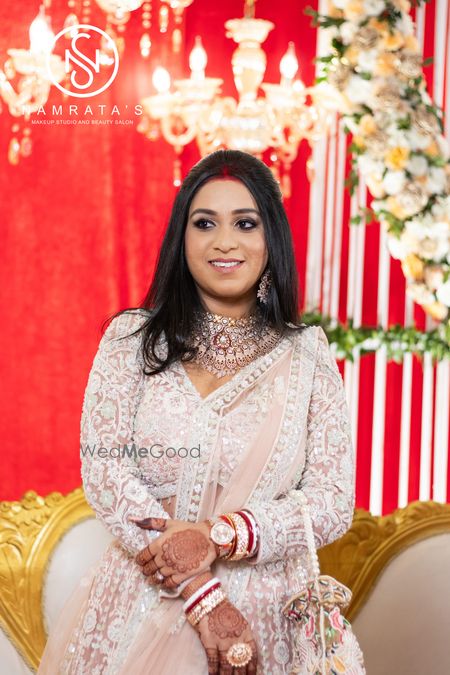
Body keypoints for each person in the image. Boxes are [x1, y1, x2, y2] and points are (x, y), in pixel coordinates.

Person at [37, 149, 356, 675]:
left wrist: (219, 535)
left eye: (245, 223)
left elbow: (332, 502)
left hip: (266, 615)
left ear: (271, 239)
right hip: (140, 606)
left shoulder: (307, 356)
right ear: (181, 239)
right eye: (204, 223)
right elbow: (106, 471)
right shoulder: (130, 341)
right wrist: (202, 592)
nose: (224, 241)